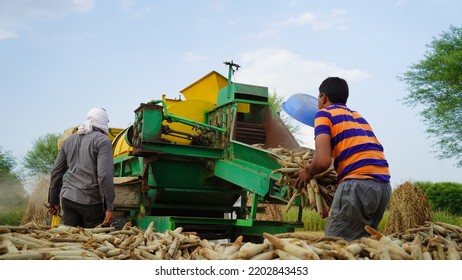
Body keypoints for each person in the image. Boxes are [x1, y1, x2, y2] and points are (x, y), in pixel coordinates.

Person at [295, 77, 391, 241]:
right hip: (382, 188)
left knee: (334, 246)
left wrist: (308, 172)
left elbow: (322, 161)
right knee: (362, 246)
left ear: (323, 97)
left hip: (358, 185)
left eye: (318, 97)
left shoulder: (323, 114)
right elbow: (354, 155)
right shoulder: (358, 117)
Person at [48, 107, 115, 228]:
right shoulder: (103, 141)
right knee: (94, 242)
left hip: (68, 199)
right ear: (104, 122)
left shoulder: (68, 141)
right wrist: (109, 207)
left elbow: (56, 172)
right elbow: (104, 175)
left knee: (71, 239)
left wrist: (53, 201)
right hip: (91, 203)